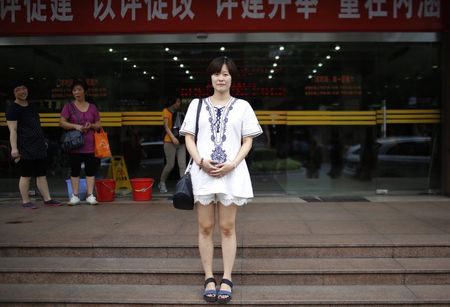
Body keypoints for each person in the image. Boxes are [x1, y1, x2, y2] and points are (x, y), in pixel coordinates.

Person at [179, 56, 262, 304]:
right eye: (217, 73)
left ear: (232, 78)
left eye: (226, 74)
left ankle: (226, 277)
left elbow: (248, 140)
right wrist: (201, 162)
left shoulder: (243, 106)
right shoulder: (196, 104)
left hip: (231, 172)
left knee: (227, 227)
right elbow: (189, 138)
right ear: (211, 78)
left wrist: (233, 164)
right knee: (205, 227)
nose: (221, 78)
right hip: (203, 172)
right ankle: (208, 277)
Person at [6, 85, 61, 209]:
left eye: (24, 88)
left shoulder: (31, 106)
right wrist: (14, 148)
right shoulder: (12, 109)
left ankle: (47, 199)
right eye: (18, 90)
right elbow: (13, 130)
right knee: (25, 174)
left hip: (38, 145)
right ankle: (26, 201)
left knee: (41, 174)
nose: (22, 92)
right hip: (24, 146)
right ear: (13, 92)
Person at [60, 80, 101, 205]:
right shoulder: (68, 106)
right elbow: (62, 123)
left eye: (79, 89)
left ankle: (90, 195)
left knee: (90, 170)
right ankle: (75, 195)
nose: (76, 92)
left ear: (85, 91)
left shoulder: (93, 107)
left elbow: (99, 124)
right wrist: (76, 126)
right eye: (74, 90)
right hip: (75, 145)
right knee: (75, 170)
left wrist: (91, 125)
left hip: (90, 144)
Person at [158, 97, 186, 193]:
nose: (179, 103)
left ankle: (183, 187)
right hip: (169, 141)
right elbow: (166, 126)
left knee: (182, 165)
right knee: (170, 165)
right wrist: (173, 138)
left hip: (181, 142)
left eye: (179, 102)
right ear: (173, 102)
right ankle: (162, 182)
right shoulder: (166, 111)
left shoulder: (181, 112)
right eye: (178, 101)